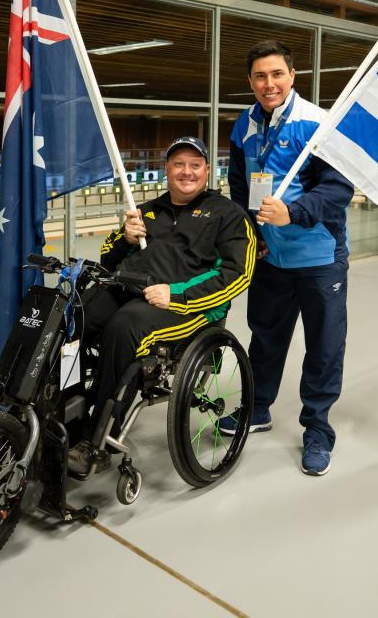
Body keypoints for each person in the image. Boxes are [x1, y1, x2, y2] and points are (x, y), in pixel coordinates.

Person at [70, 136, 255, 473]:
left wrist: (177, 294)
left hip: (187, 307)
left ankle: (93, 438)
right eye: (179, 164)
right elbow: (107, 258)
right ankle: (60, 410)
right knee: (73, 317)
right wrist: (124, 238)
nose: (187, 172)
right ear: (166, 169)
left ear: (208, 170)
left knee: (125, 327)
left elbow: (237, 274)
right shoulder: (148, 210)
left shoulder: (227, 214)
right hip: (129, 288)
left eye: (195, 165)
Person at [223, 39, 354, 476]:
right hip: (270, 258)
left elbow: (338, 190)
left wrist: (293, 213)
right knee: (265, 337)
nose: (269, 83)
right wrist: (250, 230)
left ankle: (317, 429)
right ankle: (258, 408)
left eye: (277, 74)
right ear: (250, 81)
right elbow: (240, 187)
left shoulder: (317, 124)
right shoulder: (243, 125)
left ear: (292, 77)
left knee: (323, 346)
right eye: (260, 76)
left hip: (318, 258)